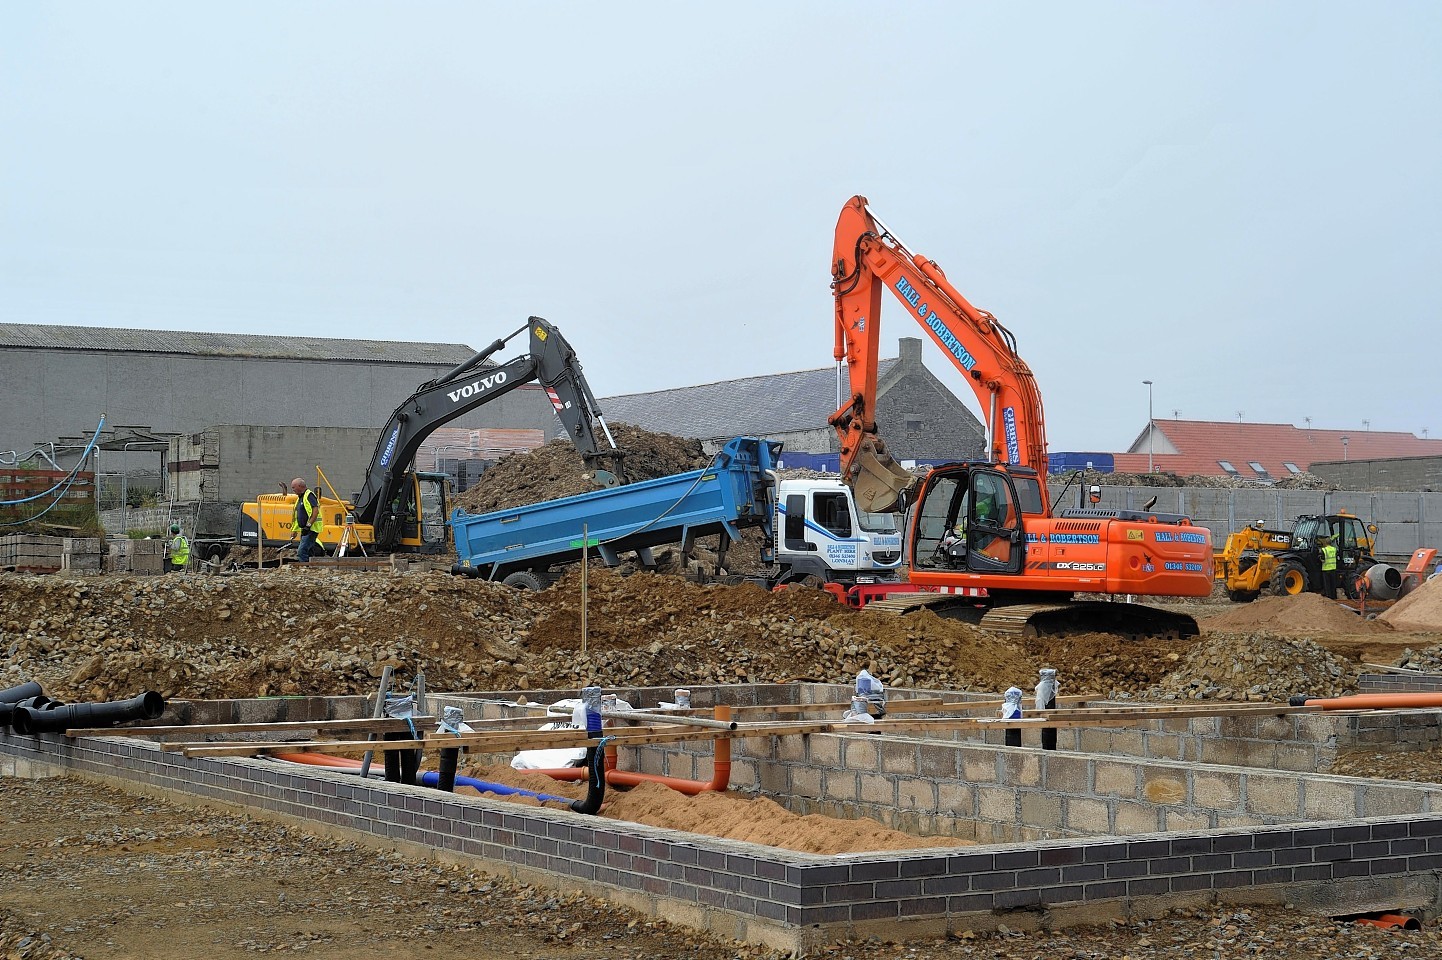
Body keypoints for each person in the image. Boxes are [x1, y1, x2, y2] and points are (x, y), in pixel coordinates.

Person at [290, 477, 325, 562]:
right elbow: (297, 516)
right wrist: (294, 530)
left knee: (302, 551)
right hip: (305, 529)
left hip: (311, 529)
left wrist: (308, 525)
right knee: (309, 550)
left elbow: (315, 511)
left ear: (300, 486)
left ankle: (304, 569)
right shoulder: (300, 498)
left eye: (293, 487)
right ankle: (311, 567)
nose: (293, 490)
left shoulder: (309, 495)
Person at [1318, 535, 1339, 599]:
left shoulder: (1324, 550)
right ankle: (1334, 597)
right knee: (1333, 584)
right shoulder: (1334, 549)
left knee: (1327, 585)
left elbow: (1322, 560)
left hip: (1326, 569)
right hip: (1333, 568)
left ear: (1325, 543)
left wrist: (1319, 558)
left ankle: (1328, 597)